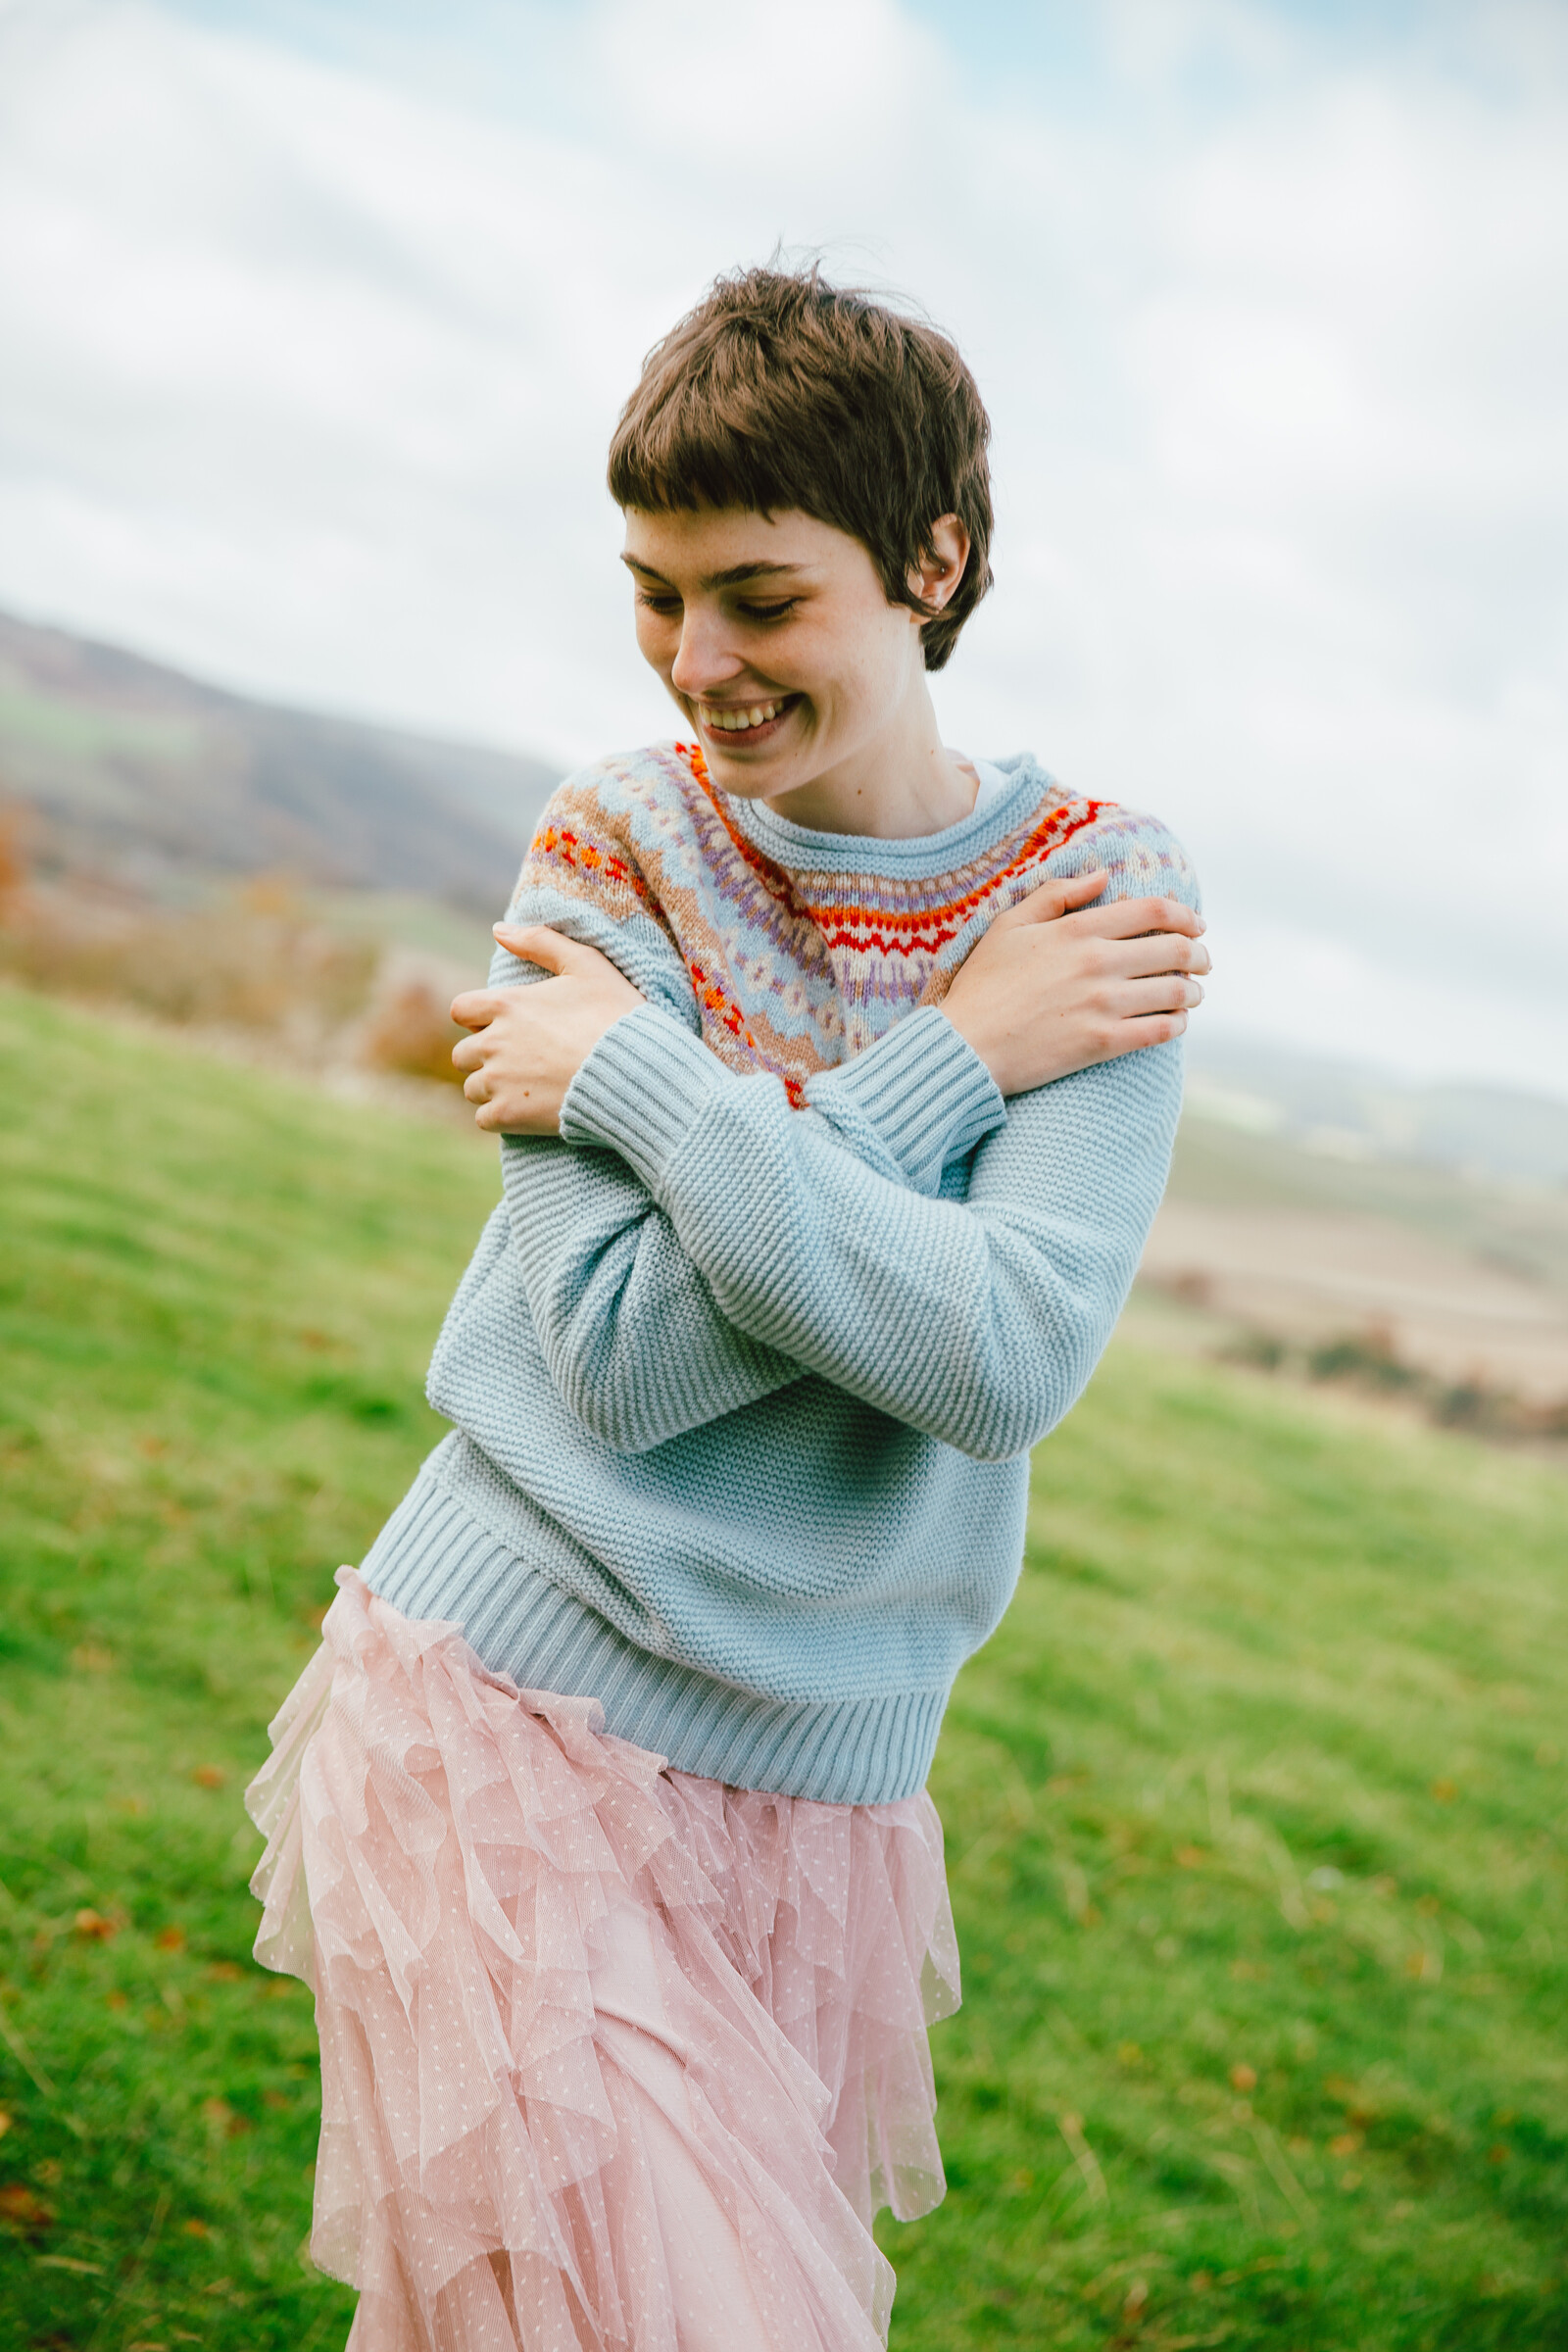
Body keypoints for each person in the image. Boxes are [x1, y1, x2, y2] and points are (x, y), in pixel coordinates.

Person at [246, 264, 1206, 2351]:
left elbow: (998, 1355)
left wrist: (649, 1088)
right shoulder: (615, 847)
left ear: (929, 562)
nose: (698, 666)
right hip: (501, 1708)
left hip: (824, 1795)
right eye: (655, 596)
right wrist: (953, 1064)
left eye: (759, 599)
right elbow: (619, 1353)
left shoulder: (1092, 898)